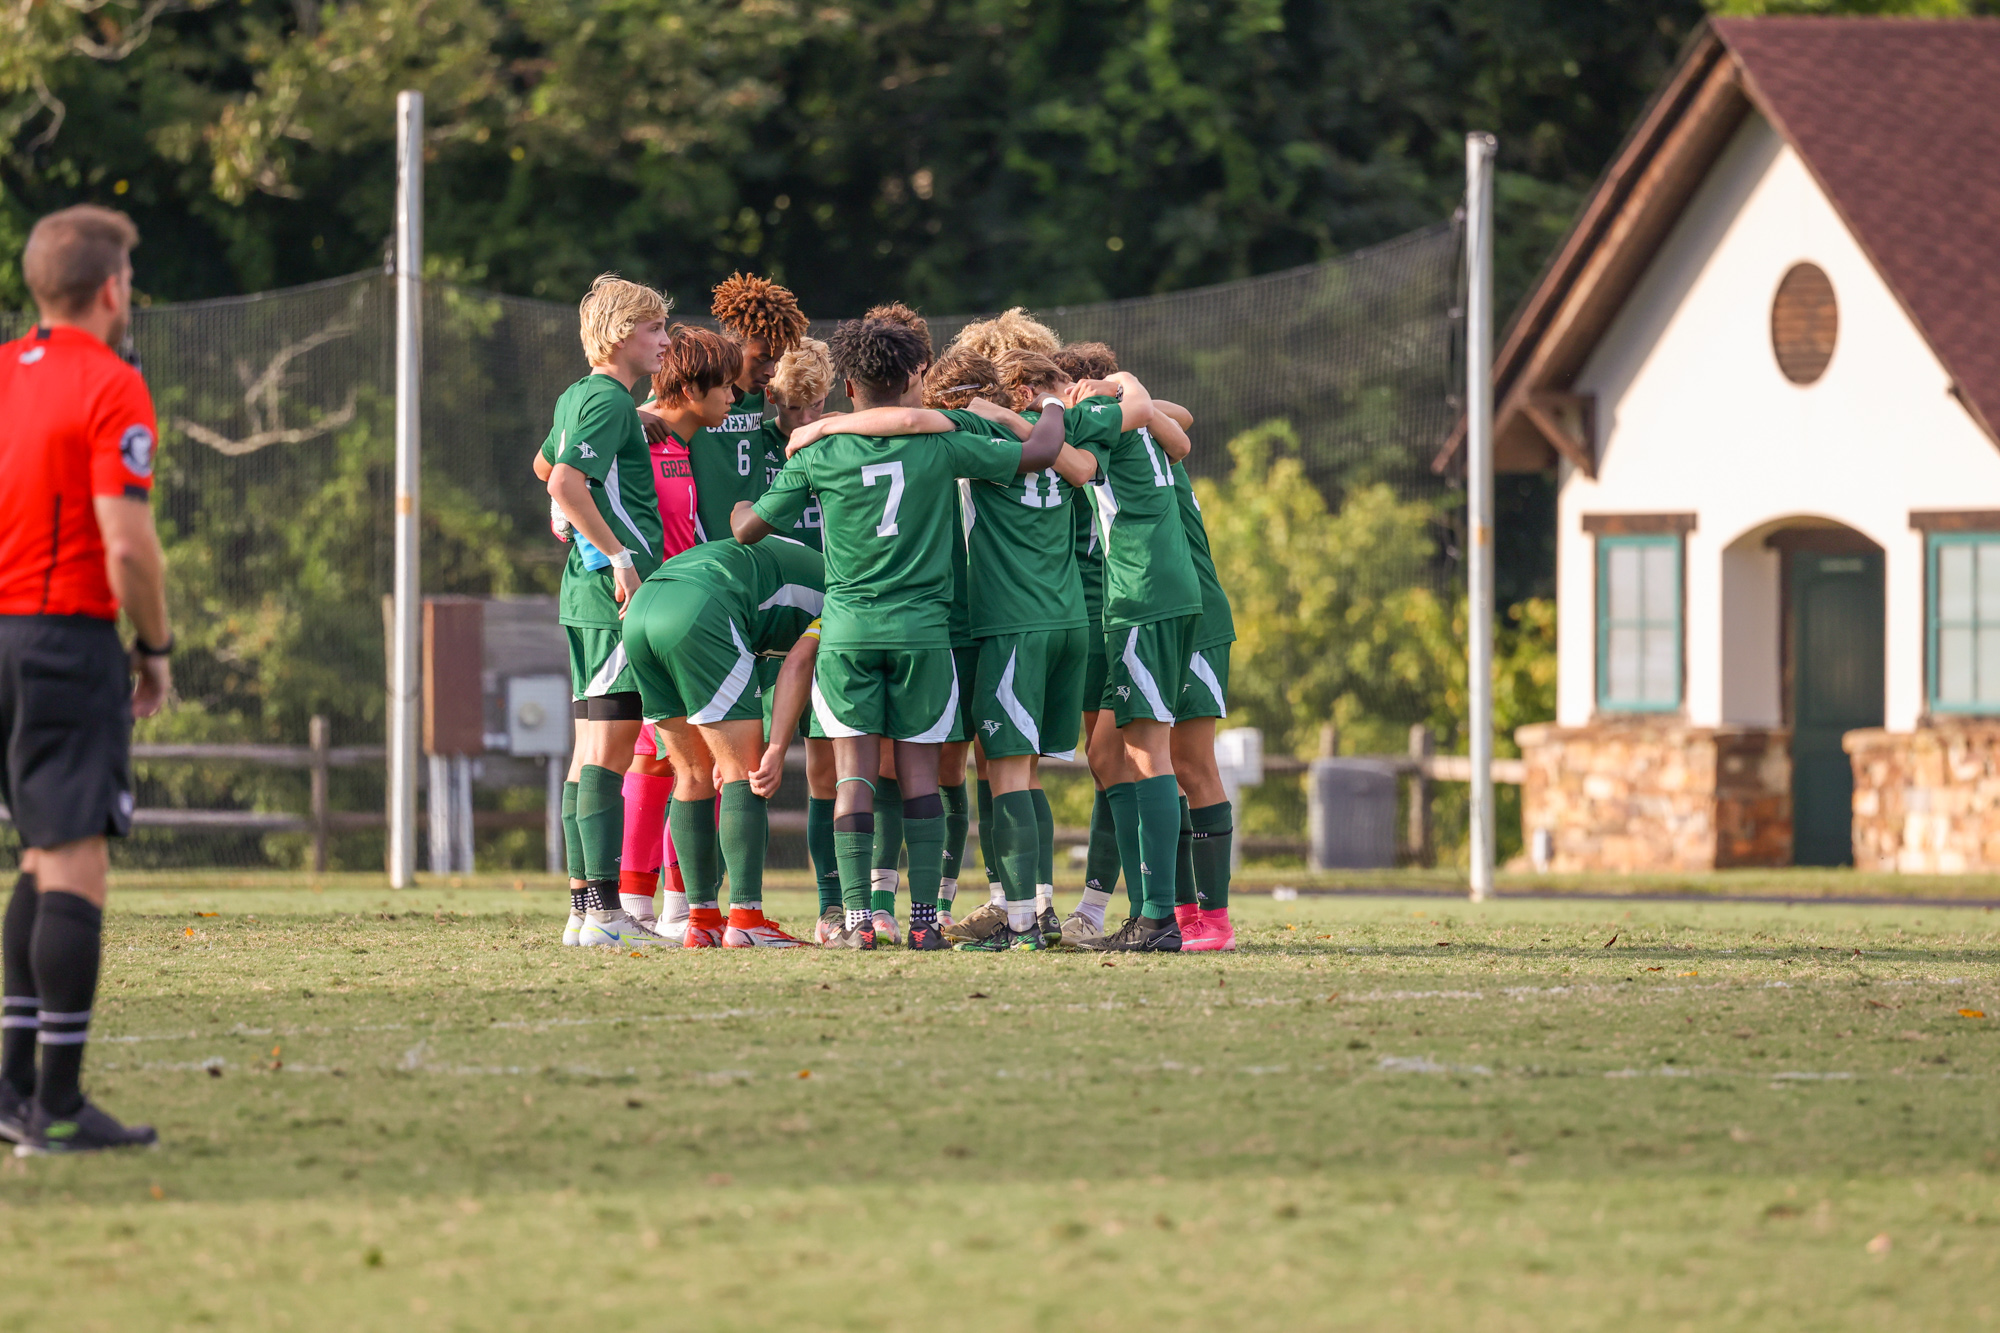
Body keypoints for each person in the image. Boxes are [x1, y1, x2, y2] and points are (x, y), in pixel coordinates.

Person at [736, 318, 1065, 950]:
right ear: (918, 375)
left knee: (854, 777)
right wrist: (1052, 406)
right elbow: (1040, 454)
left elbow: (753, 530)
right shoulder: (942, 443)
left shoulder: (819, 451)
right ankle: (923, 923)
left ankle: (857, 919)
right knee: (921, 779)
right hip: (923, 633)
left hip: (848, 632)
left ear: (849, 383)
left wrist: (739, 510)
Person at [0, 205, 171, 1154]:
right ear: (111, 289)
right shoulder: (112, 385)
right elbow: (128, 544)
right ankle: (55, 1105)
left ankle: (16, 1086)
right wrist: (155, 647)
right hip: (64, 639)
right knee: (74, 861)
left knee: (37, 853)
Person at [1055, 343, 1235, 950]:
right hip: (1164, 602)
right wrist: (1127, 386)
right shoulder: (1149, 429)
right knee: (1114, 752)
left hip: (1161, 604)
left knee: (1170, 761)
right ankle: (1166, 910)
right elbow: (1179, 427)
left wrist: (1107, 393)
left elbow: (1071, 458)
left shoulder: (1109, 423)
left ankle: (1175, 916)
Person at [531, 274, 673, 950]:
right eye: (655, 330)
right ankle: (609, 914)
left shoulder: (580, 395)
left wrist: (569, 513)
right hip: (612, 593)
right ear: (621, 334)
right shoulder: (607, 400)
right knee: (609, 754)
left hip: (585, 597)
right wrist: (617, 553)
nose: (665, 341)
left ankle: (586, 908)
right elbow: (562, 477)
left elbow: (544, 463)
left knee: (588, 751)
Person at [622, 538, 825, 948]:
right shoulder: (847, 591)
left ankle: (701, 921)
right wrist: (776, 748)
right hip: (703, 606)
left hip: (643, 608)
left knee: (691, 773)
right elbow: (799, 664)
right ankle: (747, 919)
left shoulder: (796, 562)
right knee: (745, 771)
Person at [756, 339, 843, 934]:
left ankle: (857, 906)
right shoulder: (751, 445)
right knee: (808, 771)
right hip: (777, 619)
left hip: (842, 605)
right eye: (794, 409)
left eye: (816, 407)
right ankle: (826, 905)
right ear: (771, 399)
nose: (805, 421)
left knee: (858, 765)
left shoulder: (846, 437)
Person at [689, 273, 808, 544]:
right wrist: (639, 414)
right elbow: (655, 411)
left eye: (776, 361)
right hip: (705, 543)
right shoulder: (697, 389)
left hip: (753, 537)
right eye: (763, 359)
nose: (770, 372)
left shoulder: (756, 395)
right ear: (731, 348)